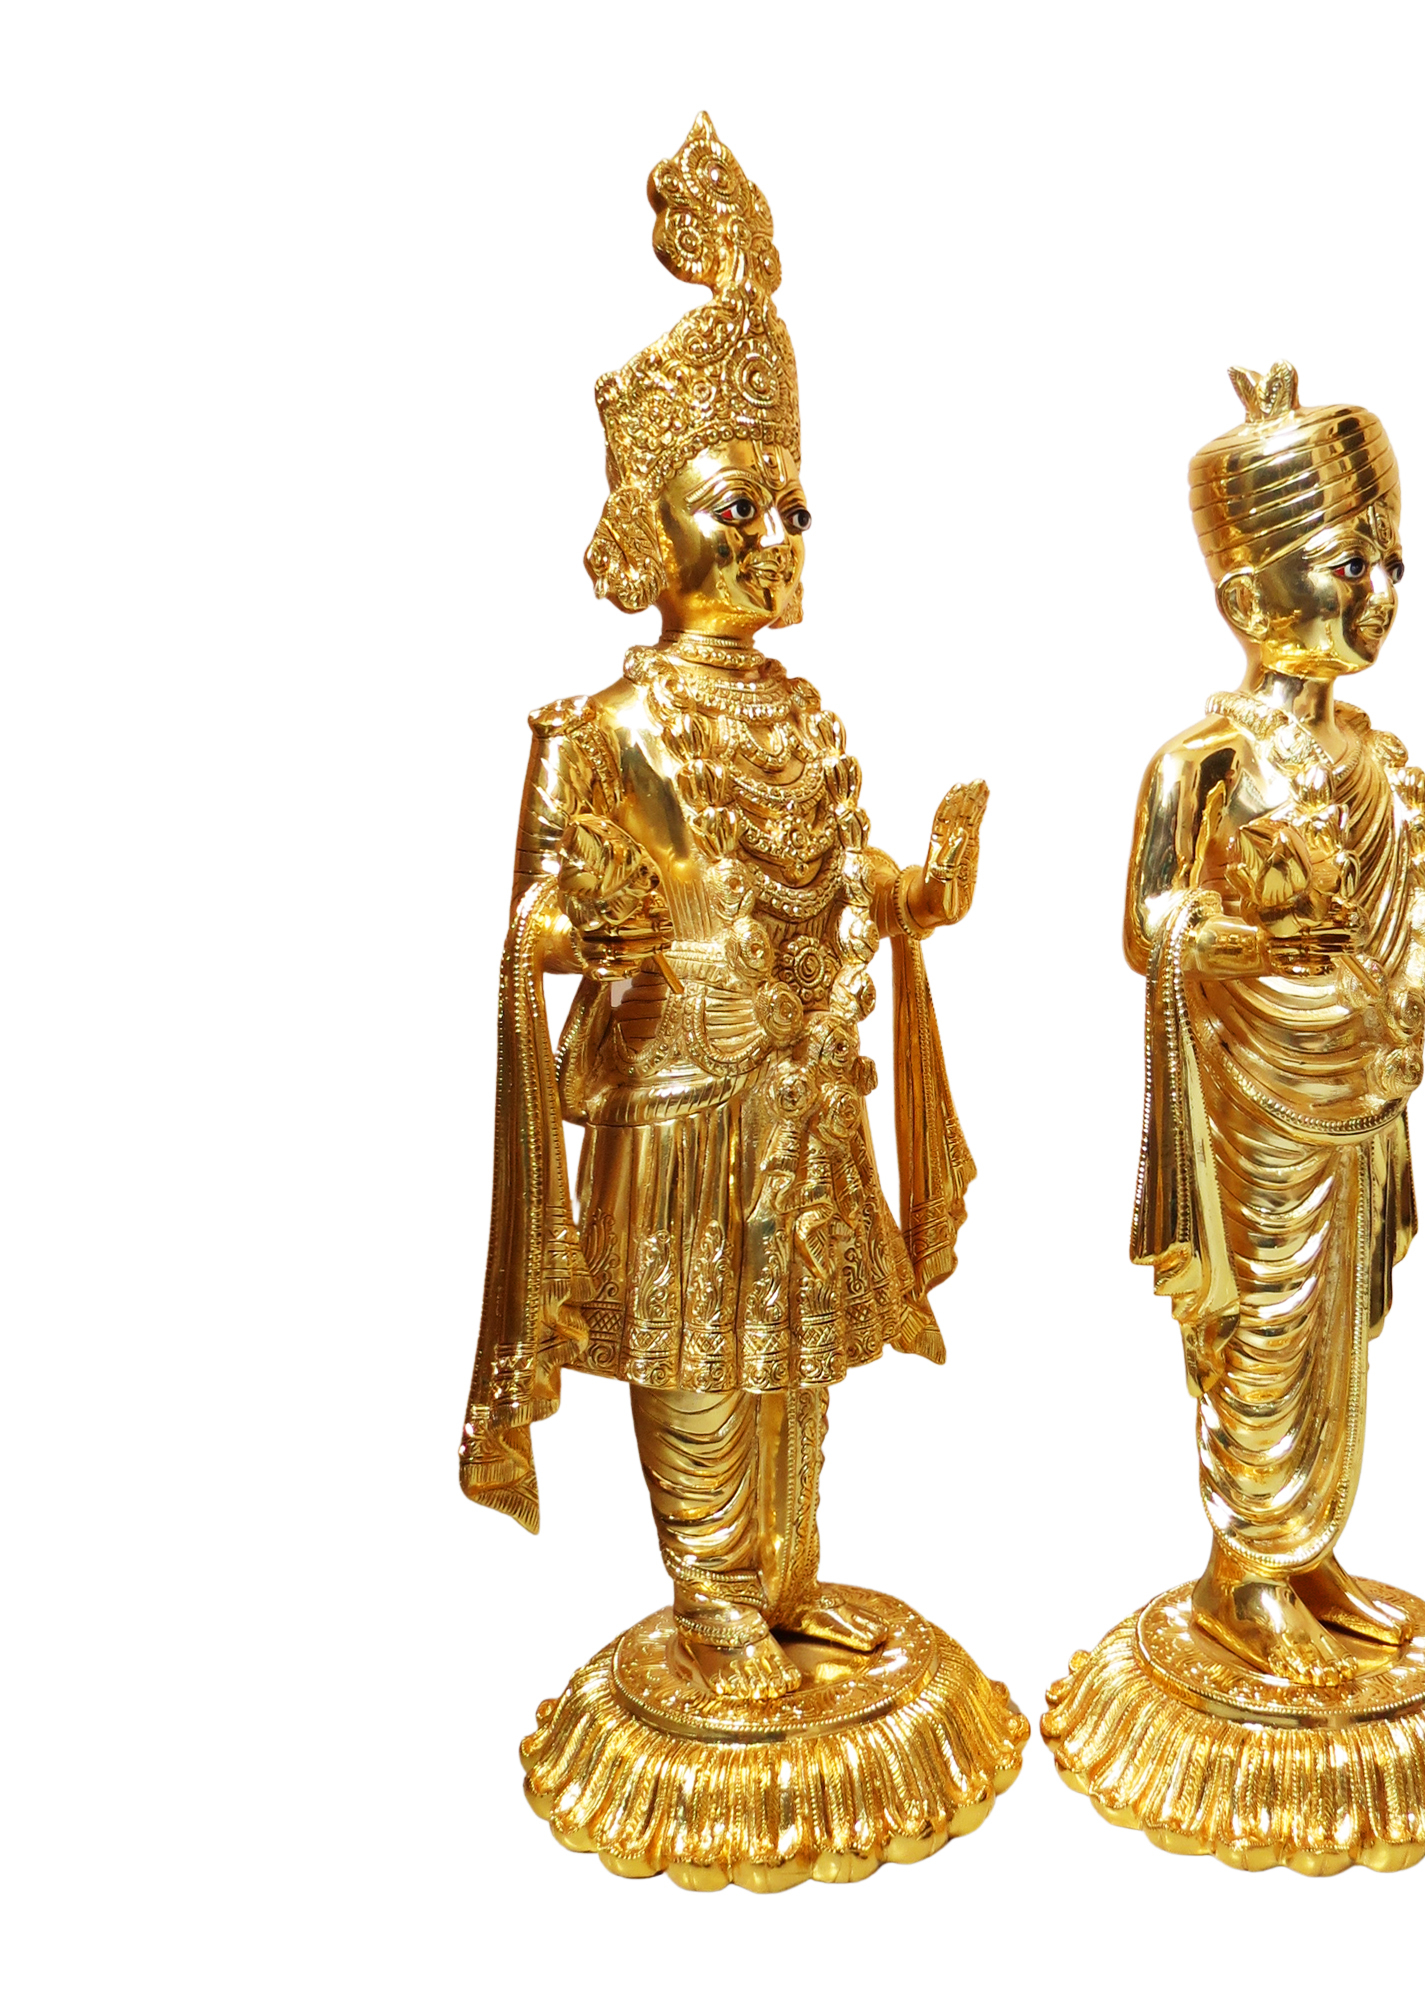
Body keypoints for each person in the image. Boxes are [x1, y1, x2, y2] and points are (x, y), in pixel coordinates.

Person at [459, 115, 985, 1702]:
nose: (775, 539)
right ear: (648, 535)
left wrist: (917, 893)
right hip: (680, 1104)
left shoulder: (803, 716)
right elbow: (539, 915)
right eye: (737, 507)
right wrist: (577, 937)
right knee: (695, 1346)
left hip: (802, 1095)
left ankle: (786, 1575)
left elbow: (828, 875)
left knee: (794, 1352)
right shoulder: (606, 728)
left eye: (792, 508)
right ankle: (708, 1597)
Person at [1126, 362, 1425, 1685]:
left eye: (1390, 564)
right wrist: (1218, 936)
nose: (1377, 591)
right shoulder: (1201, 763)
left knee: (1336, 1337)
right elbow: (1146, 920)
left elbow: (1396, 930)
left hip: (1357, 1090)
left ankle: (1308, 1550)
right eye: (1346, 563)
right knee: (1263, 1325)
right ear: (1246, 598)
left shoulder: (1374, 760)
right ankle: (1245, 1573)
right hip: (1253, 1096)